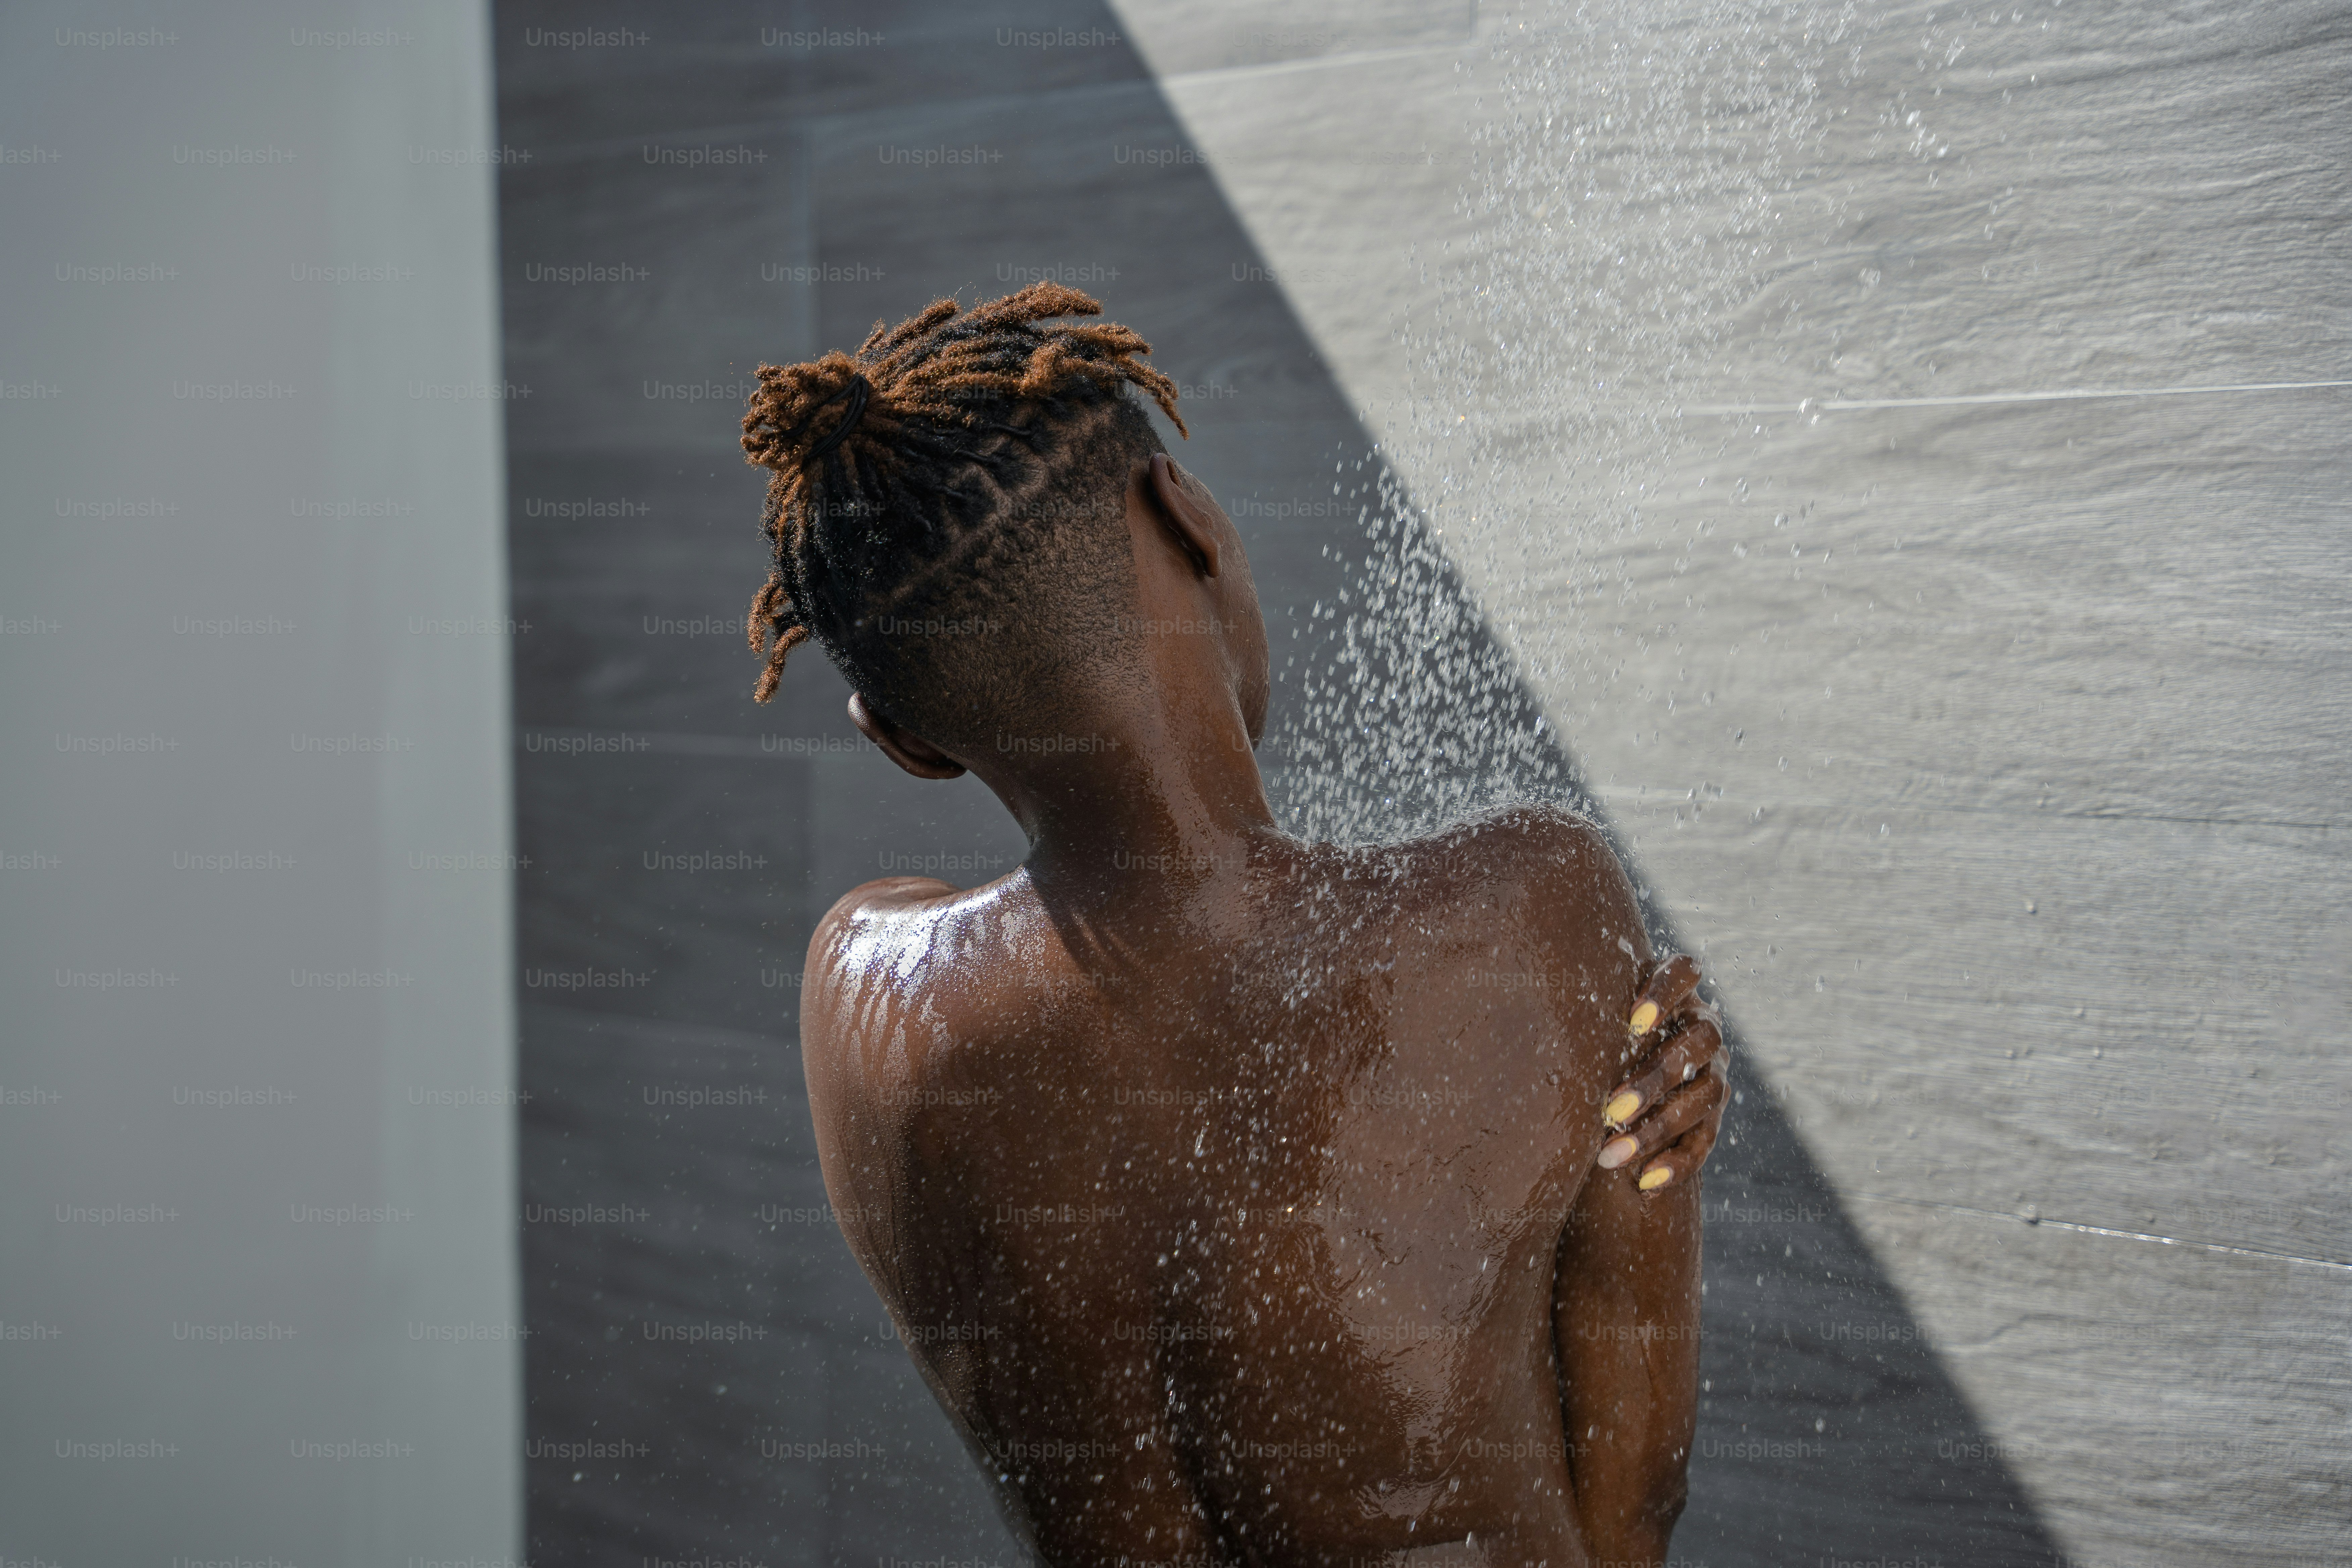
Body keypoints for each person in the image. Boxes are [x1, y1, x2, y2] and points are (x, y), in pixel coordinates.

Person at [740, 283, 1730, 1567]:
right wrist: (1655, 1175)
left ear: (901, 743)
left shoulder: (858, 1002)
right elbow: (1634, 1502)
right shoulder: (1536, 905)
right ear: (1188, 517)